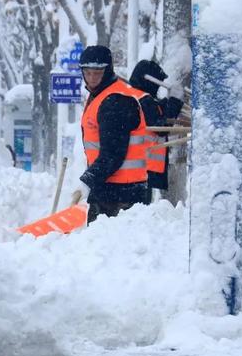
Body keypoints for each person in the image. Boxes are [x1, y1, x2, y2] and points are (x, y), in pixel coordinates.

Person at [71, 45, 149, 224]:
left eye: (97, 73)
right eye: (87, 73)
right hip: (110, 189)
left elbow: (113, 154)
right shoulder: (102, 95)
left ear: (108, 71)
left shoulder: (115, 102)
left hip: (122, 197)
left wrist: (87, 182)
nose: (91, 79)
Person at [129, 60, 185, 204]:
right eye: (158, 82)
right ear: (149, 80)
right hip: (141, 167)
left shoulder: (135, 97)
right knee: (138, 211)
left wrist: (171, 101)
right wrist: (174, 101)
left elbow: (159, 112)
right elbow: (160, 125)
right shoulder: (142, 99)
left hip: (136, 168)